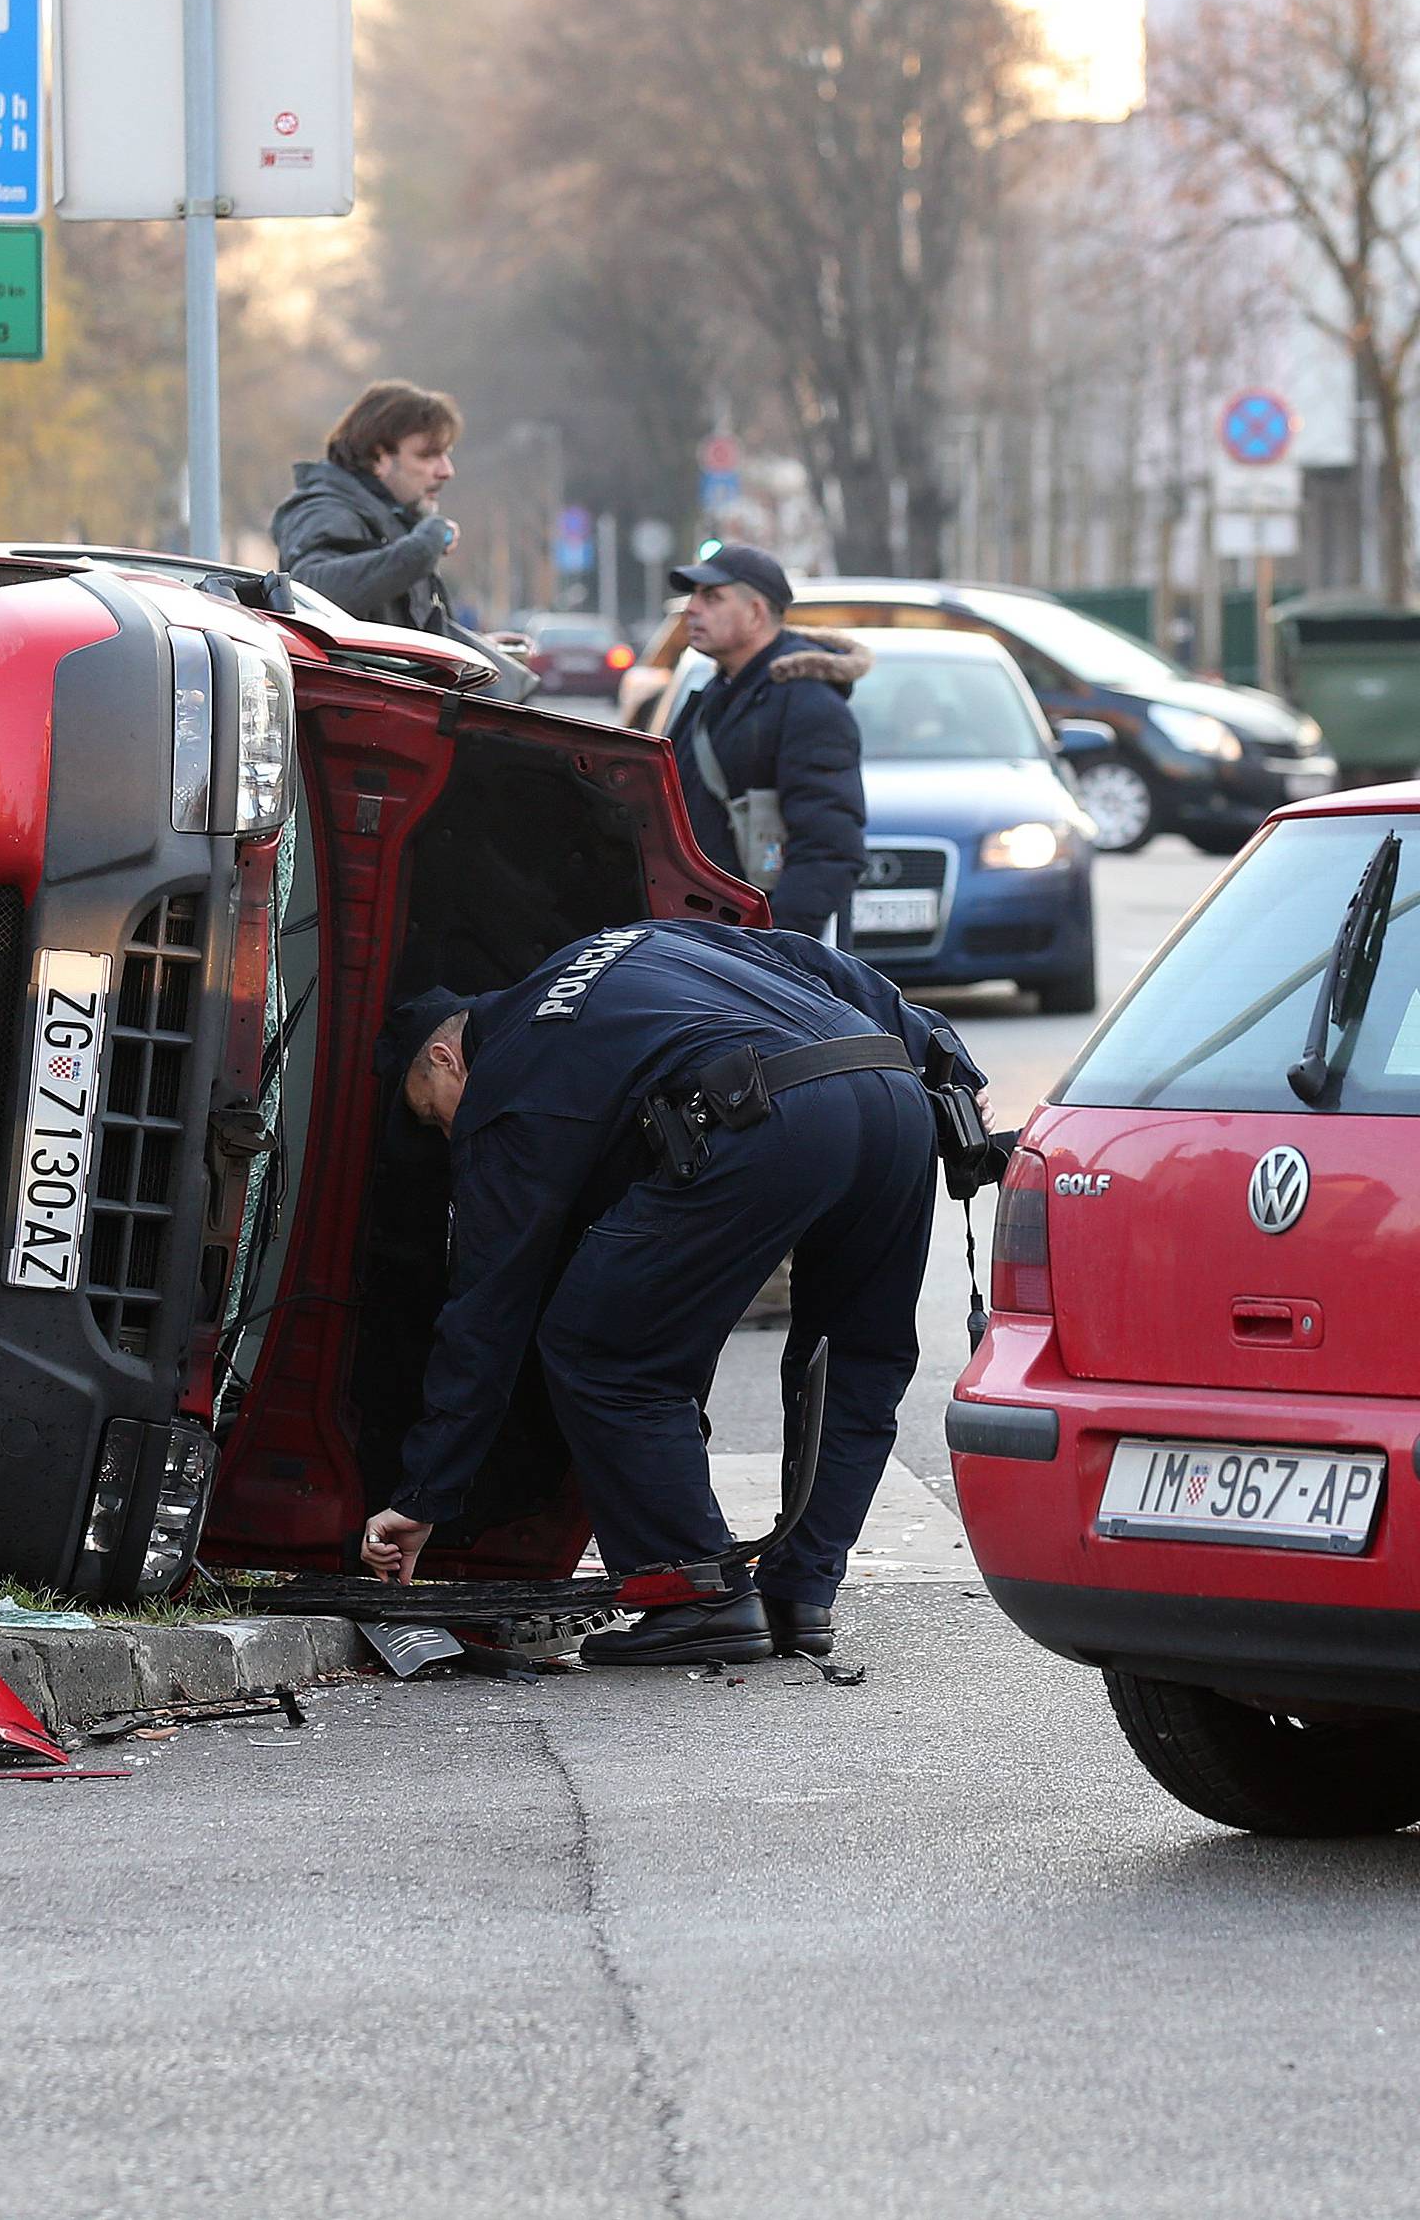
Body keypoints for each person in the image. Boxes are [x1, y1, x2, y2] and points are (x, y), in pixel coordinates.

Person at [359, 919, 988, 1668]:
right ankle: (800, 1594)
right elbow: (812, 958)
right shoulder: (619, 942)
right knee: (857, 1356)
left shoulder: (507, 1087)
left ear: (444, 1056)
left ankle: (694, 1596)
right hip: (895, 1097)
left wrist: (425, 1492)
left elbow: (487, 1311)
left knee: (602, 1350)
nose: (444, 1132)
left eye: (432, 1111)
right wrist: (946, 1060)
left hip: (771, 1113)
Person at [271, 381, 536, 701]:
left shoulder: (388, 517)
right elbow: (312, 590)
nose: (446, 471)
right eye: (428, 455)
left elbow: (394, 630)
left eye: (446, 455)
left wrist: (479, 649)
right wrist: (424, 545)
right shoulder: (325, 510)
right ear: (378, 458)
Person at [665, 544, 868, 934]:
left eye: (712, 597)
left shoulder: (808, 701)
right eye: (693, 596)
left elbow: (830, 850)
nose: (692, 608)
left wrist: (775, 948)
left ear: (756, 612)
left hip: (754, 950)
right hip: (714, 938)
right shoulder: (720, 694)